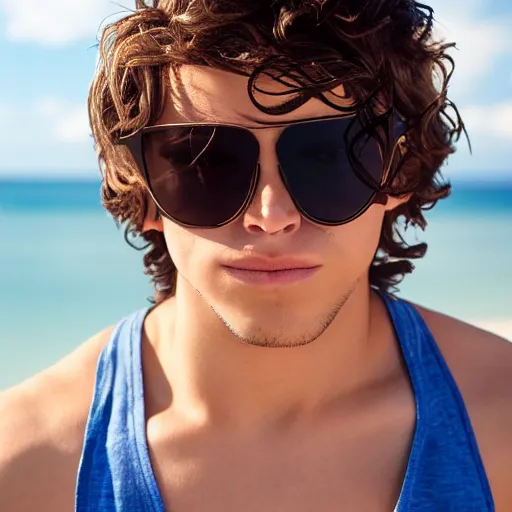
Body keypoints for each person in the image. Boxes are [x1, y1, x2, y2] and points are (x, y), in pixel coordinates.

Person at [1, 0, 511, 510]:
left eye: (328, 156)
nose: (270, 215)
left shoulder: (501, 426)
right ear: (140, 191)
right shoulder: (24, 467)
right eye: (207, 162)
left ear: (398, 173)